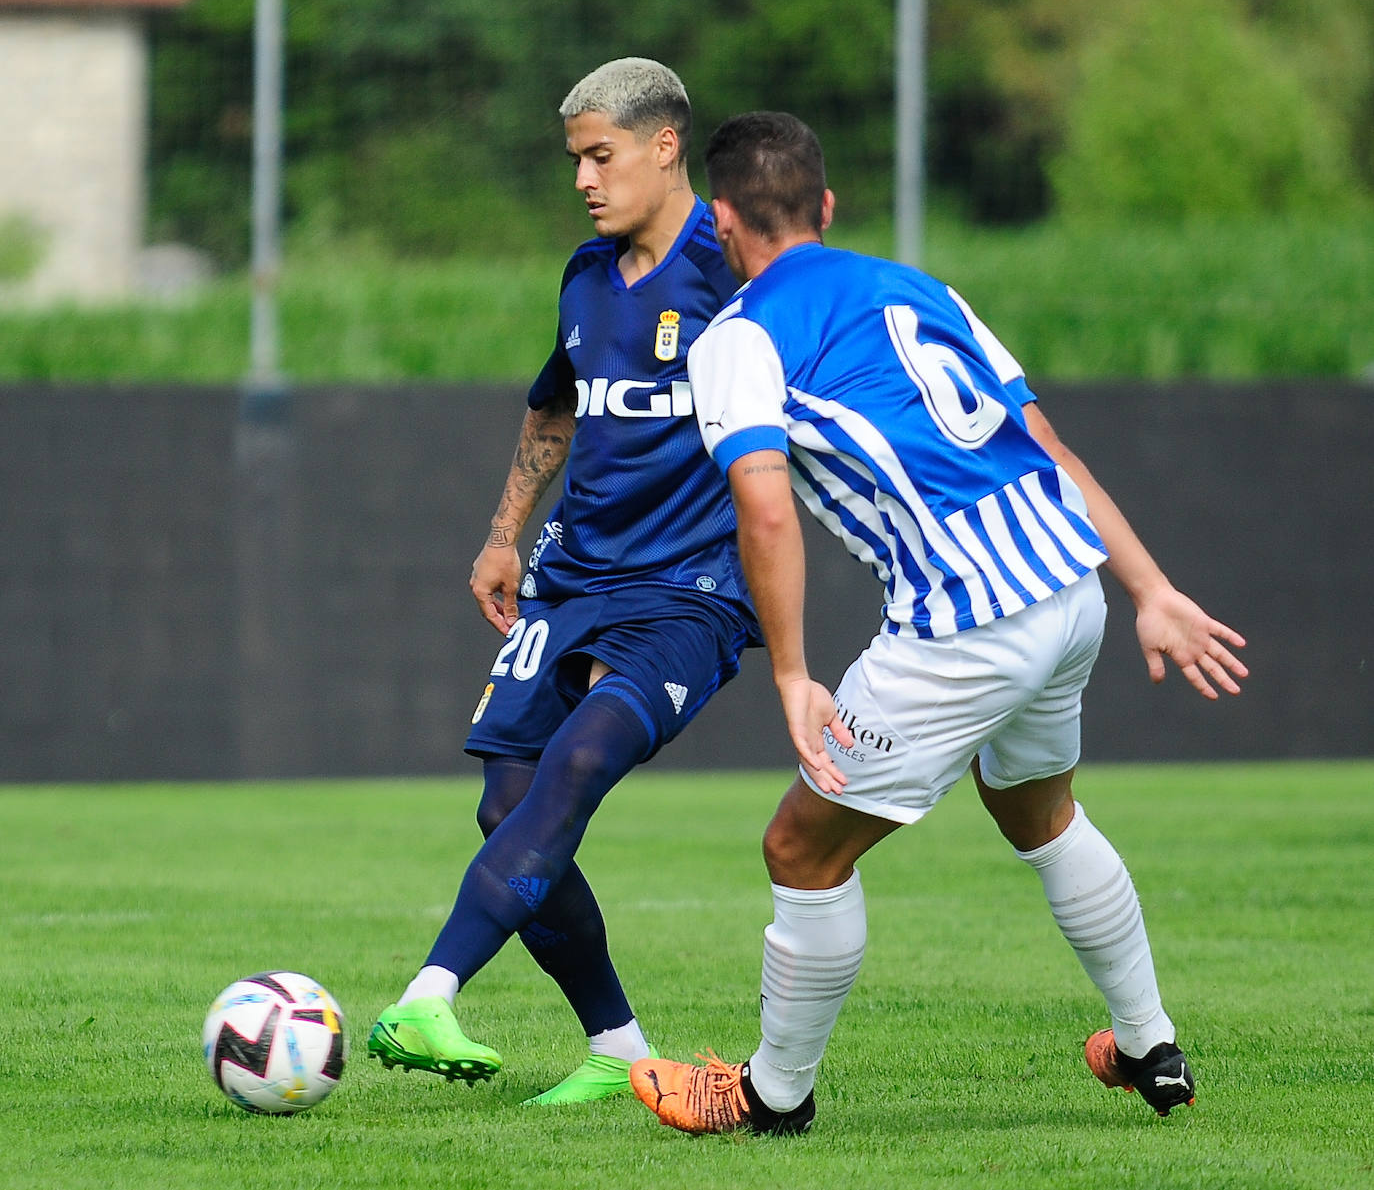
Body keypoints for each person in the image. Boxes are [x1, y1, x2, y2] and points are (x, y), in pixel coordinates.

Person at [629, 111, 1248, 1135]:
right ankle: (1149, 1044)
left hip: (965, 626)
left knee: (802, 846)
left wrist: (790, 672)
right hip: (1069, 589)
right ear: (826, 207)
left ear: (722, 221)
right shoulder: (919, 289)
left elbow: (765, 501)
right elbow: (1043, 443)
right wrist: (1153, 589)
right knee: (1039, 814)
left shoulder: (739, 335)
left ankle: (773, 1094)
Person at [367, 59, 758, 1106]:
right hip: (569, 577)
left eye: (601, 155)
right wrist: (506, 535)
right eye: (575, 160)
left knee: (579, 761)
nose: (584, 179)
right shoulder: (586, 272)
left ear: (664, 145)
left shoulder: (737, 264)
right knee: (507, 805)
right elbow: (555, 407)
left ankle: (430, 990)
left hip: (688, 590)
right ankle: (622, 1050)